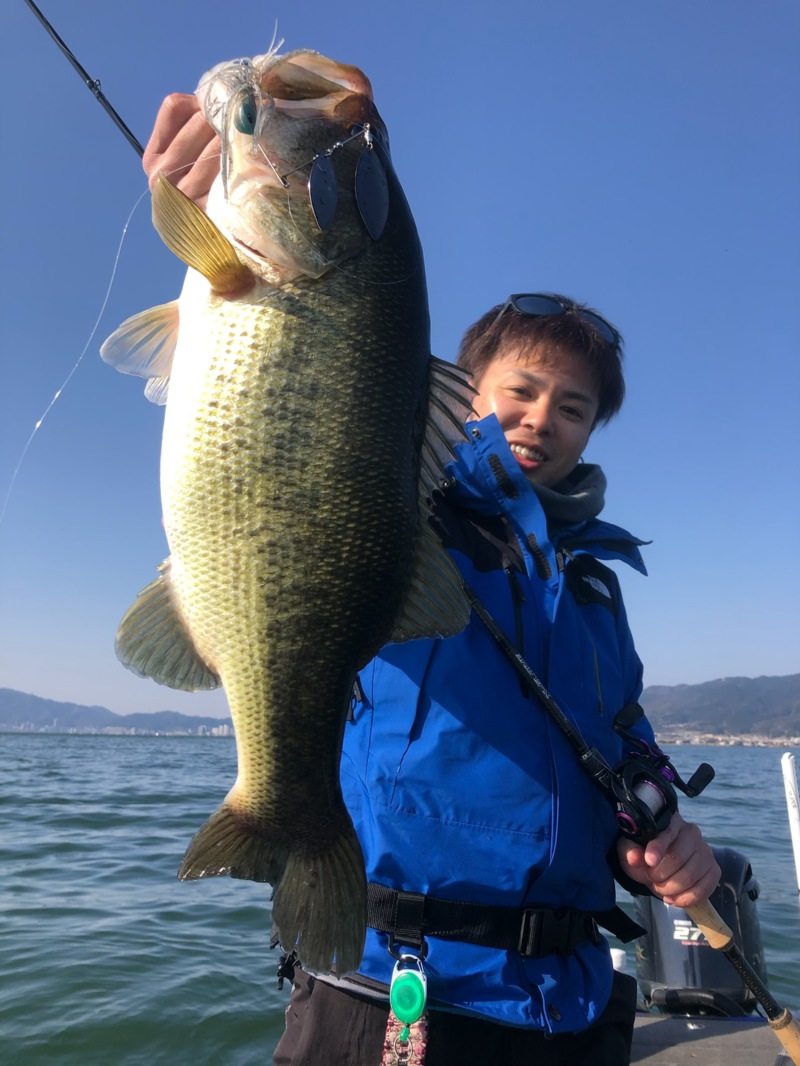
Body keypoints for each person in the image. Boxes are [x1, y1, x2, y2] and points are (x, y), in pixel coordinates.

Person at [143, 95, 721, 1066]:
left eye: (572, 406)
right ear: (453, 392)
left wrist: (661, 825)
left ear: (591, 429)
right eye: (519, 390)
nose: (541, 418)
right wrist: (214, 199)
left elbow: (623, 735)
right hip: (395, 990)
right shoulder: (411, 519)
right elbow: (289, 442)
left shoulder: (592, 586)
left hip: (571, 1003)